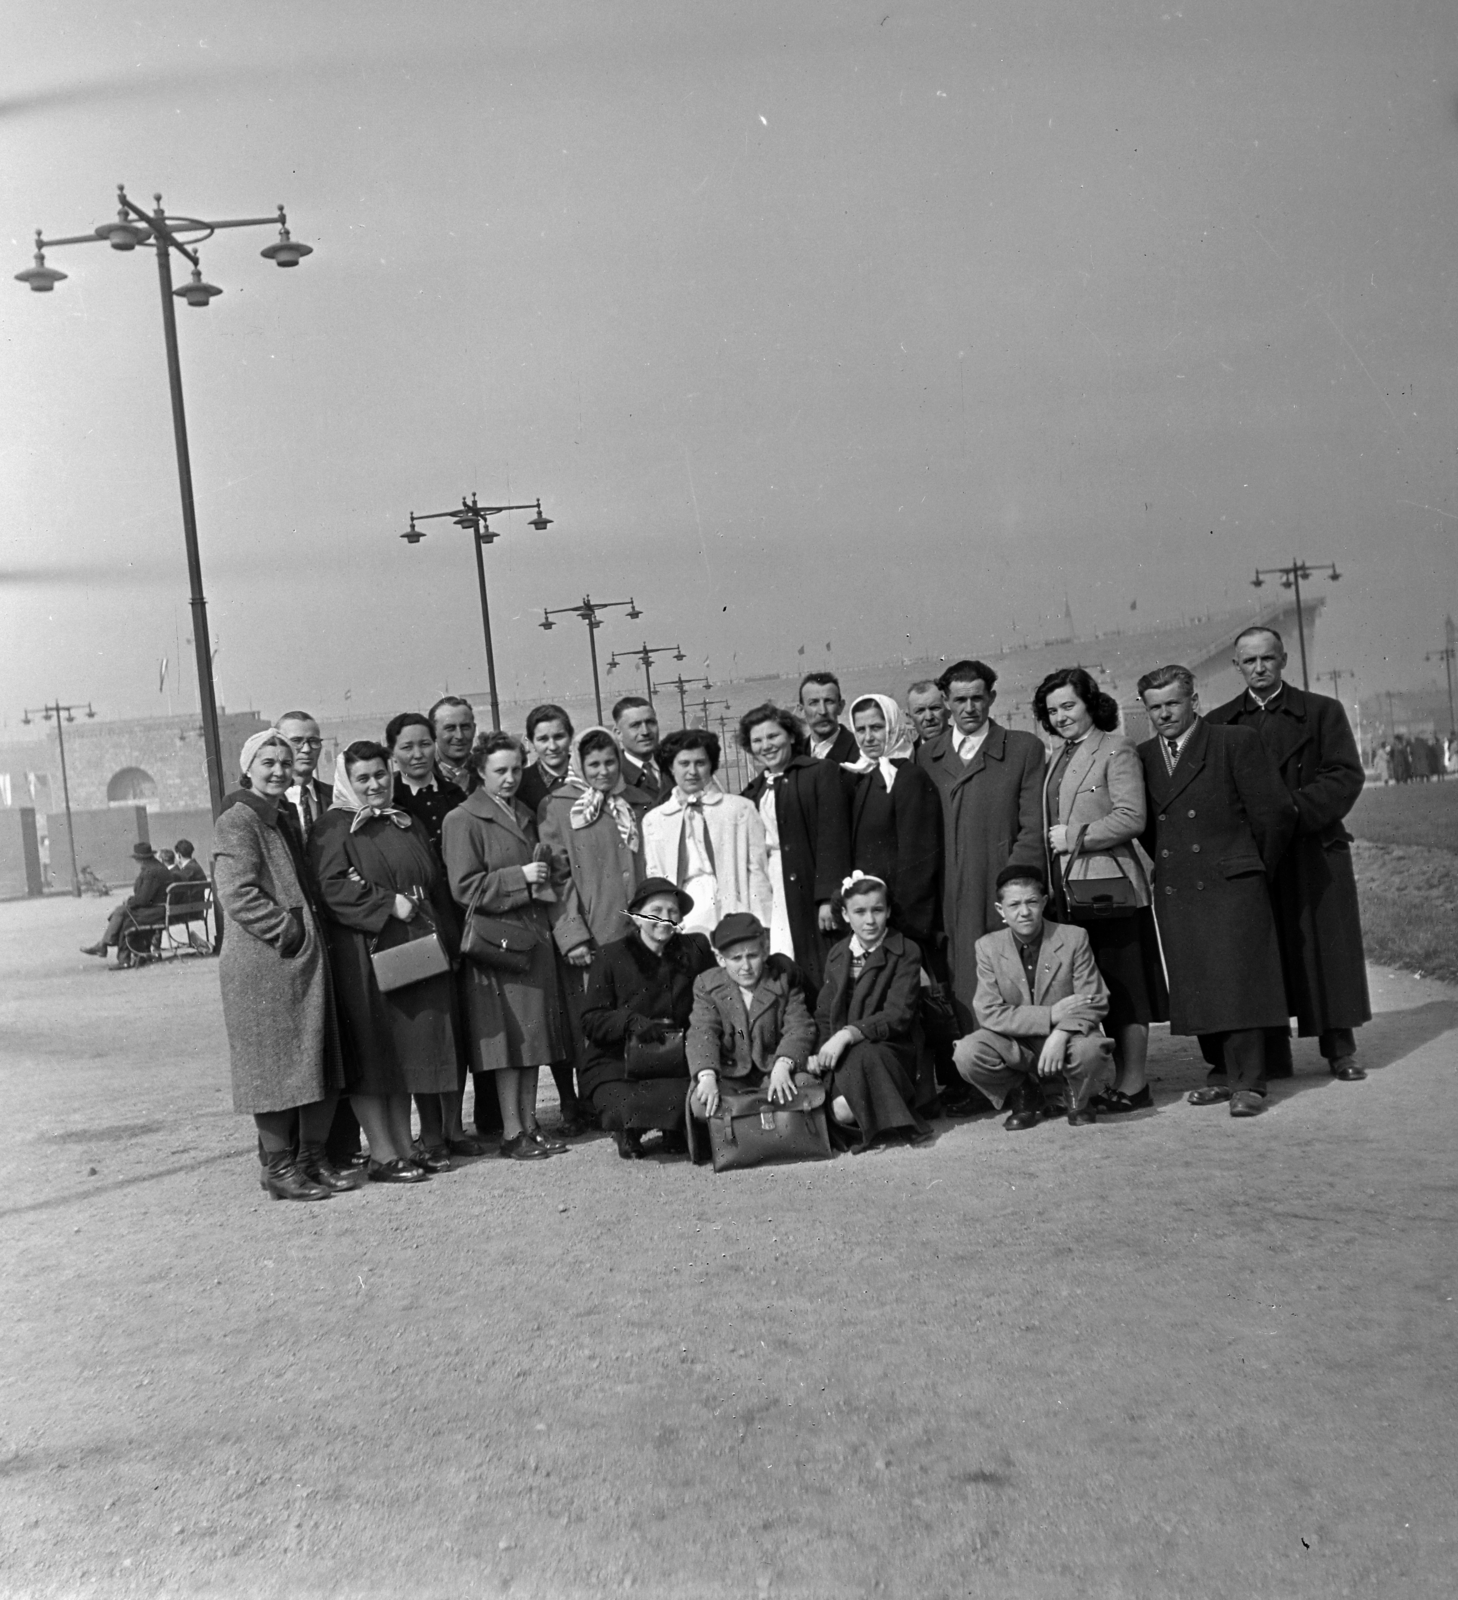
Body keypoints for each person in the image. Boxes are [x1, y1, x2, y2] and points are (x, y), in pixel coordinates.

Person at [310, 742, 484, 1184]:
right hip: (367, 953)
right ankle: (382, 1154)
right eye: (363, 778)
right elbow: (332, 888)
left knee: (404, 1051)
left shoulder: (402, 820)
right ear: (347, 781)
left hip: (415, 948)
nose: (374, 785)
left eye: (380, 775)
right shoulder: (334, 827)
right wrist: (387, 903)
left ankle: (405, 1146)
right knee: (373, 1054)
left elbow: (430, 879)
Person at [1206, 627, 1370, 1081]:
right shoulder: (1220, 723)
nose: (1259, 668)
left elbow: (1344, 776)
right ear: (1236, 666)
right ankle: (1272, 1054)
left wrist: (1289, 811)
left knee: (1326, 950)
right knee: (1263, 952)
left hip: (1314, 849)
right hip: (1256, 854)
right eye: (1249, 661)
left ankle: (1340, 1049)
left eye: (1267, 659)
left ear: (1283, 660)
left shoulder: (1322, 712)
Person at [1136, 665, 1297, 1118]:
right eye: (1155, 707)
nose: (1165, 713)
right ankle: (1222, 1074)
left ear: (1194, 701)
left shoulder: (1233, 742)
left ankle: (1250, 1081)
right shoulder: (1146, 756)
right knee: (1199, 980)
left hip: (1231, 880)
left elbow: (1275, 814)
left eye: (1172, 703)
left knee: (1237, 981)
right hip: (1180, 883)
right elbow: (1152, 830)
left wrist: (1246, 864)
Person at [212, 729, 353, 1200]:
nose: (277, 770)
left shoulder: (281, 816)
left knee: (314, 1060)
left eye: (283, 762)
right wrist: (289, 930)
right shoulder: (239, 819)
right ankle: (278, 1168)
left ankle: (310, 1161)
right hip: (265, 965)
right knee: (272, 1071)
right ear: (247, 768)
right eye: (266, 762)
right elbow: (237, 893)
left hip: (298, 962)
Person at [1033, 666, 1166, 1112]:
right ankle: (1104, 1078)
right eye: (1052, 711)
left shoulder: (1116, 748)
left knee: (1126, 987)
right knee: (1092, 986)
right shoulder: (1058, 755)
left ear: (1090, 703)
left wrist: (1075, 836)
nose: (1061, 717)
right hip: (1071, 892)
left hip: (1110, 890)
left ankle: (1133, 1084)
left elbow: (1132, 817)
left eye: (1069, 706)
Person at [442, 731, 573, 1161]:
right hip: (497, 946)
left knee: (532, 1040)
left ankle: (530, 1124)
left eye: (517, 769)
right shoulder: (463, 819)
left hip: (530, 939)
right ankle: (512, 1130)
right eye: (500, 770)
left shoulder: (523, 813)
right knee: (508, 1044)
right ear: (480, 772)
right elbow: (464, 888)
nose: (511, 778)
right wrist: (522, 878)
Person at [915, 659, 1046, 1029]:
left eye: (977, 698)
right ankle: (970, 1074)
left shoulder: (1023, 748)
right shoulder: (928, 755)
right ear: (945, 701)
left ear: (991, 697)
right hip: (949, 893)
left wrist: (1015, 890)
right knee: (958, 978)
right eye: (959, 700)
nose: (968, 709)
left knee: (1011, 978)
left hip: (998, 886)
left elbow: (1032, 829)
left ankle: (1023, 1073)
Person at [953, 865, 1115, 1130]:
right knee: (967, 1053)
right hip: (1017, 1043)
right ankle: (1025, 1093)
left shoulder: (1073, 937)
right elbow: (989, 1012)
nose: (1024, 912)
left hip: (1070, 1038)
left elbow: (1094, 999)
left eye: (1031, 902)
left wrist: (1060, 1034)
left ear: (1043, 902)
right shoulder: (988, 947)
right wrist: (1050, 1015)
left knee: (1091, 1049)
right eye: (1014, 904)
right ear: (1000, 910)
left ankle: (1076, 1094)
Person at [579, 878, 717, 1158]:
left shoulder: (695, 949)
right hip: (621, 1062)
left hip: (677, 1060)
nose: (664, 919)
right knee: (624, 1102)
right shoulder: (610, 956)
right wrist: (628, 1021)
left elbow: (717, 993)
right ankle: (627, 1130)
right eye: (656, 910)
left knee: (691, 1099)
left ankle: (675, 1128)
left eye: (673, 912)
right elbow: (591, 1019)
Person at [813, 875, 932, 1149]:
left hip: (890, 1047)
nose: (870, 920)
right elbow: (824, 1011)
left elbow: (897, 1015)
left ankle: (894, 1119)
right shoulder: (838, 954)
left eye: (877, 910)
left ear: (888, 911)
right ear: (844, 914)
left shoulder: (905, 951)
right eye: (859, 912)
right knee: (840, 1108)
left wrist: (848, 1034)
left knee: (864, 1059)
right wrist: (820, 1049)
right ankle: (881, 1116)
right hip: (845, 1052)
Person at [739, 703, 852, 992]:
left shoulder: (820, 772)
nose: (766, 746)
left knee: (818, 960)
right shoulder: (753, 792)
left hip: (809, 884)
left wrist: (827, 897)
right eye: (757, 741)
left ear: (790, 736)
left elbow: (833, 837)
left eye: (773, 736)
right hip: (771, 888)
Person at [686, 913, 817, 1126]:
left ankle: (773, 1135)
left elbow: (800, 1026)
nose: (745, 966)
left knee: (805, 1087)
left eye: (752, 956)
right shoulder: (707, 985)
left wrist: (784, 1064)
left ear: (765, 951)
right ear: (720, 959)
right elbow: (703, 1031)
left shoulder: (782, 980)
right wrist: (707, 1075)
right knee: (701, 1103)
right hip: (731, 1073)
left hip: (773, 1068)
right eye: (736, 959)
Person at [540, 726, 654, 969]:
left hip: (646, 929)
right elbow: (558, 879)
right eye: (594, 765)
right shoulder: (558, 807)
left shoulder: (640, 803)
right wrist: (572, 936)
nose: (604, 772)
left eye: (610, 762)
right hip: (596, 933)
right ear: (580, 765)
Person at [642, 728, 773, 938]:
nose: (692, 772)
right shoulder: (656, 819)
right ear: (670, 768)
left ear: (711, 765)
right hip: (685, 907)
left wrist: (761, 920)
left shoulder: (740, 809)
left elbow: (757, 870)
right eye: (684, 764)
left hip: (732, 902)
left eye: (700, 763)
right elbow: (656, 875)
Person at [844, 693, 942, 949]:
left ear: (894, 726)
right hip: (872, 916)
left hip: (899, 920)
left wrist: (902, 923)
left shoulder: (909, 777)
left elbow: (918, 860)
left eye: (877, 727)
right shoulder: (864, 775)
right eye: (861, 729)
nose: (868, 737)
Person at [388, 711, 466, 858]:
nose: (418, 755)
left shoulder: (455, 794)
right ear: (392, 753)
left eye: (425, 744)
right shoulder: (389, 801)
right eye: (407, 747)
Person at [79, 841, 172, 961]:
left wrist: (129, 902)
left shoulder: (151, 871)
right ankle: (104, 945)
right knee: (121, 911)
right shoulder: (158, 867)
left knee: (122, 914)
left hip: (156, 911)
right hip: (161, 908)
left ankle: (109, 949)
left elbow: (143, 899)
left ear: (140, 859)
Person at [277, 710, 332, 842]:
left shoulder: (335, 796)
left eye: (313, 741)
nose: (307, 749)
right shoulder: (264, 801)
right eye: (296, 741)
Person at [517, 703, 576, 817]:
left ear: (570, 736)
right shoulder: (520, 784)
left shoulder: (589, 775)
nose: (552, 747)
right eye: (543, 739)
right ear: (531, 742)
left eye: (559, 737)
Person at [613, 696, 667, 803]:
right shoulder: (615, 778)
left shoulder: (673, 766)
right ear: (618, 734)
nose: (645, 731)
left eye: (650, 722)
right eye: (635, 725)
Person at [798, 672, 860, 764]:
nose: (823, 711)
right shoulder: (794, 754)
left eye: (829, 701)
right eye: (814, 703)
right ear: (802, 710)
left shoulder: (859, 752)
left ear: (840, 706)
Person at [430, 696, 481, 795]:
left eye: (465, 727)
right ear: (433, 732)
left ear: (474, 729)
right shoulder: (419, 776)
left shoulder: (488, 773)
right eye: (450, 728)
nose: (459, 736)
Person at [905, 680, 949, 747]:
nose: (929, 717)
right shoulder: (910, 755)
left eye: (935, 708)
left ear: (949, 710)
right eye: (920, 711)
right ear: (910, 718)